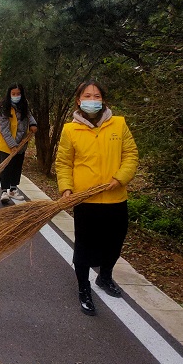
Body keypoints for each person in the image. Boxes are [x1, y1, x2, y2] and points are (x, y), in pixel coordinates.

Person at [55, 80, 139, 317]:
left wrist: (120, 178)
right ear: (78, 100)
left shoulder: (118, 124)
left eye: (97, 96)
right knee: (84, 248)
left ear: (103, 100)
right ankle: (84, 288)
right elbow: (63, 163)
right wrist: (66, 189)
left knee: (115, 243)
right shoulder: (70, 130)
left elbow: (131, 154)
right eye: (87, 96)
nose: (92, 100)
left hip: (115, 198)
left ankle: (105, 276)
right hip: (86, 201)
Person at [0, 83, 38, 205]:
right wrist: (12, 145)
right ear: (9, 94)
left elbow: (29, 115)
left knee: (17, 166)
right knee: (6, 167)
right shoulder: (3, 108)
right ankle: (4, 191)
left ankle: (13, 189)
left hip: (21, 141)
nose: (16, 96)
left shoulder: (24, 105)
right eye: (13, 94)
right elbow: (4, 129)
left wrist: (33, 124)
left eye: (18, 94)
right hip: (7, 143)